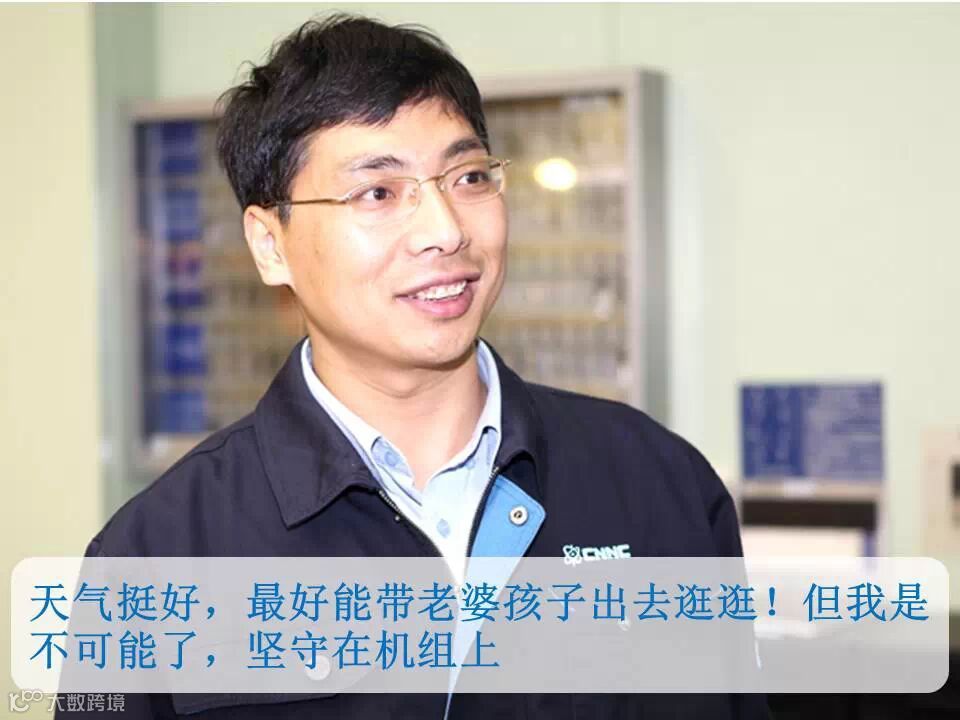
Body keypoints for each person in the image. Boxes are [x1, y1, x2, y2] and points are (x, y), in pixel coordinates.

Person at [69, 13, 768, 719]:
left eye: (468, 177)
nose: (446, 229)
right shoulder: (161, 552)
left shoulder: (659, 485)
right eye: (378, 192)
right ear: (270, 243)